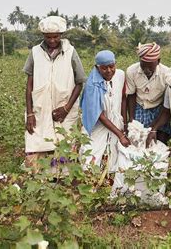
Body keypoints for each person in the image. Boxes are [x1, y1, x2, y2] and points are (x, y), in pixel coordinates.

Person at [23, 16, 86, 171]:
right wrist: (30, 113)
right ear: (43, 36)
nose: (52, 40)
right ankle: (39, 183)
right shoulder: (35, 52)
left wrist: (66, 108)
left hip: (64, 107)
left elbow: (79, 82)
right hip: (40, 108)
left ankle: (60, 183)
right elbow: (29, 84)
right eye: (48, 37)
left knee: (62, 143)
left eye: (55, 37)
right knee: (37, 143)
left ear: (61, 35)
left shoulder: (71, 52)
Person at [80, 50, 130, 181]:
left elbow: (123, 98)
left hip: (115, 120)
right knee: (91, 154)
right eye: (104, 68)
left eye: (111, 66)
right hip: (97, 124)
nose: (109, 71)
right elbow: (100, 115)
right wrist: (120, 134)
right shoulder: (92, 85)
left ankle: (107, 181)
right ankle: (88, 184)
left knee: (113, 154)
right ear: (97, 67)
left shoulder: (120, 75)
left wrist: (124, 123)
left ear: (115, 64)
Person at [126, 42, 171, 143]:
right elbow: (131, 95)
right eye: (143, 66)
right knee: (137, 138)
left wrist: (154, 127)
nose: (146, 70)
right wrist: (132, 119)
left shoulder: (166, 74)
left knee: (160, 138)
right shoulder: (131, 71)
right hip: (140, 106)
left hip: (159, 107)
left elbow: (166, 102)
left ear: (158, 61)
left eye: (150, 67)